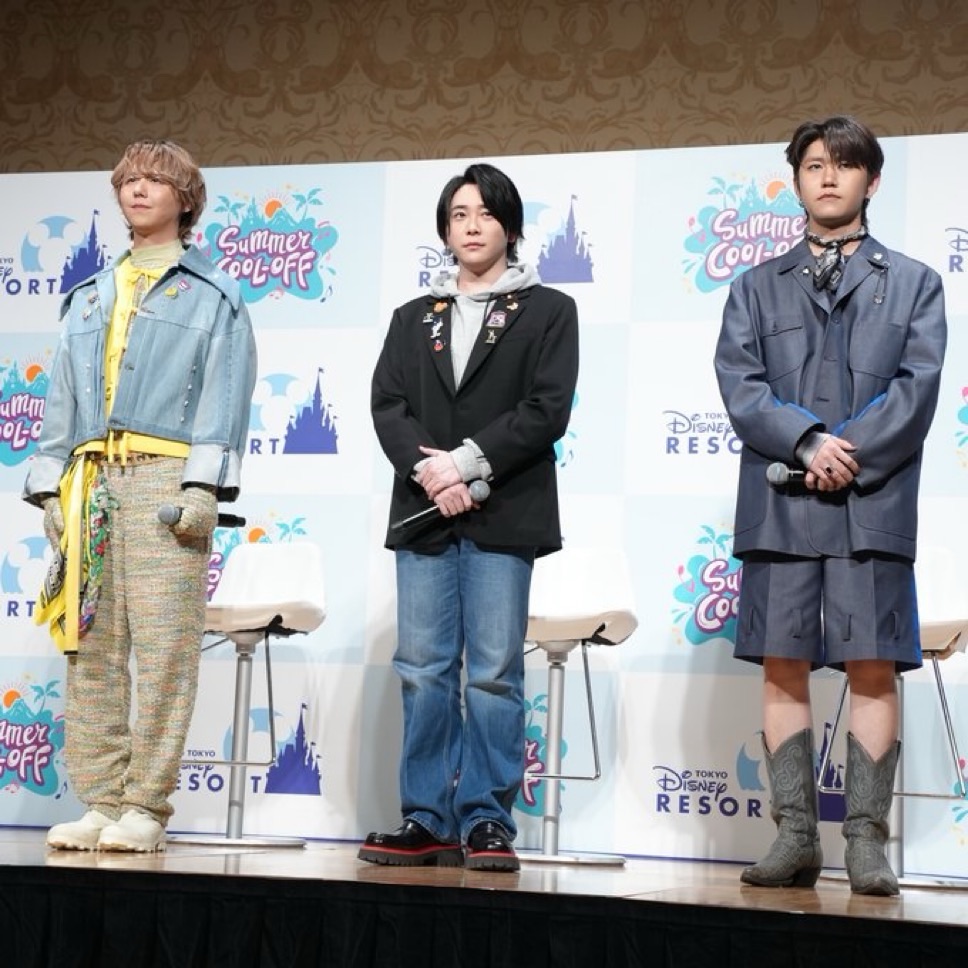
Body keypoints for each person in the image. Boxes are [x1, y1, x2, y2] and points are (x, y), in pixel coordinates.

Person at [714, 116, 947, 895]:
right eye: (813, 165)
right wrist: (807, 442)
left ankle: (867, 842)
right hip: (781, 504)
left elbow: (916, 390)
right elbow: (741, 385)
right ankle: (794, 837)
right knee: (783, 666)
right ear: (796, 180)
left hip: (871, 501)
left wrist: (847, 453)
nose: (827, 177)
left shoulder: (914, 282)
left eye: (844, 165)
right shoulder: (755, 286)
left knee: (872, 666)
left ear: (870, 181)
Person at [24, 139, 258, 852]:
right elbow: (61, 397)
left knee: (163, 653)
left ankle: (145, 807)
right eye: (129, 179)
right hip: (90, 478)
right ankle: (100, 799)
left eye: (156, 179)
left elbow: (225, 395)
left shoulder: (215, 294)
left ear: (186, 200)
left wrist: (203, 487)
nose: (139, 189)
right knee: (90, 648)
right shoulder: (89, 293)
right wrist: (50, 488)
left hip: (165, 477)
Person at [361, 162, 579, 872]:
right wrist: (432, 473)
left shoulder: (549, 310)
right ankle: (425, 818)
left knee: (492, 672)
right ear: (445, 230)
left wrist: (465, 465)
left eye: (486, 213)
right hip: (423, 513)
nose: (472, 225)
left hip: (505, 509)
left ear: (510, 226)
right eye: (459, 215)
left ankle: (486, 818)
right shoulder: (411, 317)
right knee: (423, 669)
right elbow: (389, 405)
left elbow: (546, 410)